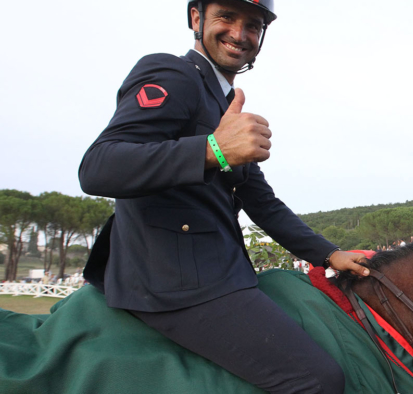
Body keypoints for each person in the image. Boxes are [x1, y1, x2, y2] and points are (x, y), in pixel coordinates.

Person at [78, 1, 368, 392]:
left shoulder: (225, 103)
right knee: (318, 380)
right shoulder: (173, 73)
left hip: (221, 272)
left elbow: (262, 202)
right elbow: (98, 167)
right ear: (196, 18)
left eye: (252, 25)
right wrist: (212, 150)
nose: (239, 34)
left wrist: (329, 254)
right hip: (174, 281)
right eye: (226, 17)